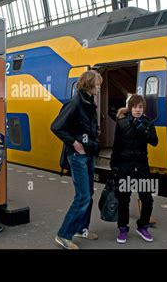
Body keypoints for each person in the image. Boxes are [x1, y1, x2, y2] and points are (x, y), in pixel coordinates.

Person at [51, 70, 102, 249]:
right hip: (78, 156)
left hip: (89, 154)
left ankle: (81, 228)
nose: (99, 87)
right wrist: (74, 143)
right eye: (97, 84)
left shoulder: (89, 102)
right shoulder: (75, 103)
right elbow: (56, 127)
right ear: (88, 84)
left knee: (89, 194)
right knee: (83, 197)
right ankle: (63, 234)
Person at [111, 94, 158, 244]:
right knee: (124, 199)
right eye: (135, 107)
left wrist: (143, 129)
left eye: (141, 107)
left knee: (147, 200)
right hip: (125, 166)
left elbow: (155, 142)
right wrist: (114, 166)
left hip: (142, 166)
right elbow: (116, 145)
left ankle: (142, 226)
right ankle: (123, 228)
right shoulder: (122, 123)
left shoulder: (148, 122)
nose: (138, 110)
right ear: (130, 108)